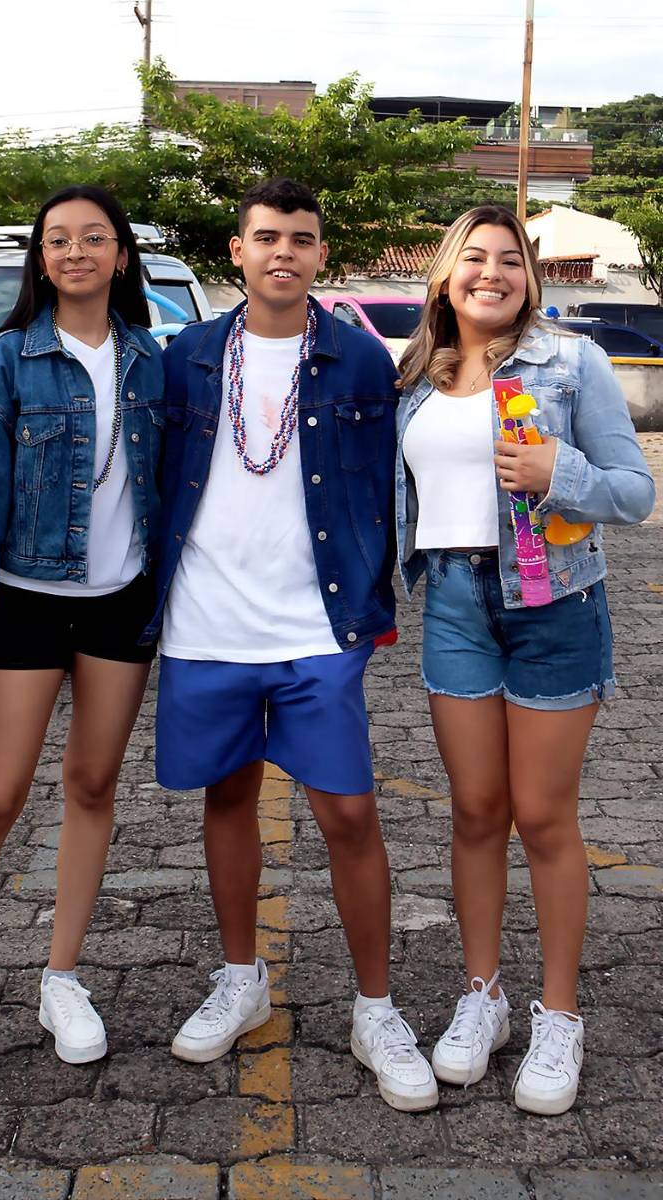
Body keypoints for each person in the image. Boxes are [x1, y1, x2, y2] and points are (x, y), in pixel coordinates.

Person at [141, 177, 439, 1112]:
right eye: (267, 237)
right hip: (207, 624)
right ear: (238, 251)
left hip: (318, 625)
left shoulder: (360, 360)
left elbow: (400, 478)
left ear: (320, 253)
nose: (284, 252)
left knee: (348, 814)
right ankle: (242, 979)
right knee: (228, 797)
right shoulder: (186, 356)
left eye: (301, 239)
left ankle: (376, 1008)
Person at [0, 184, 164, 1087]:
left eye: (94, 237)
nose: (76, 251)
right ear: (41, 260)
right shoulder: (8, 359)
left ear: (121, 255)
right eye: (58, 240)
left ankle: (62, 978)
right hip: (26, 601)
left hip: (120, 602)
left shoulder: (151, 361)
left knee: (92, 785)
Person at [396, 204, 654, 1115]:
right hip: (454, 605)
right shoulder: (417, 374)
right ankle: (484, 997)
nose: (493, 274)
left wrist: (560, 475)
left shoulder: (572, 363)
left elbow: (635, 492)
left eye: (512, 260)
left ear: (531, 279)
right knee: (475, 811)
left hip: (554, 607)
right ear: (446, 274)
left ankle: (560, 1014)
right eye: (475, 258)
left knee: (542, 817)